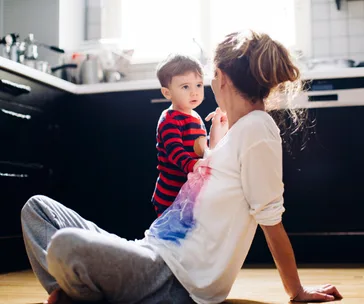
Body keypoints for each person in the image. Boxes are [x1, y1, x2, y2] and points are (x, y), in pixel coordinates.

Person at [21, 30, 342, 304]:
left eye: (211, 75)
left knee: (64, 245)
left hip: (178, 278)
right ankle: (81, 293)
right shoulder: (236, 132)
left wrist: (296, 291)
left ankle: (80, 293)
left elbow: (271, 218)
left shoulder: (258, 129)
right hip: (151, 251)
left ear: (223, 79)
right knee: (36, 210)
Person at [151, 54, 207, 217]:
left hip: (188, 194)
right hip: (170, 196)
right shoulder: (170, 119)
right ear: (167, 93)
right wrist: (193, 165)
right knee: (168, 238)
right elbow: (175, 151)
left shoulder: (196, 117)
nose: (194, 92)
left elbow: (199, 146)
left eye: (198, 85)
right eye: (185, 87)